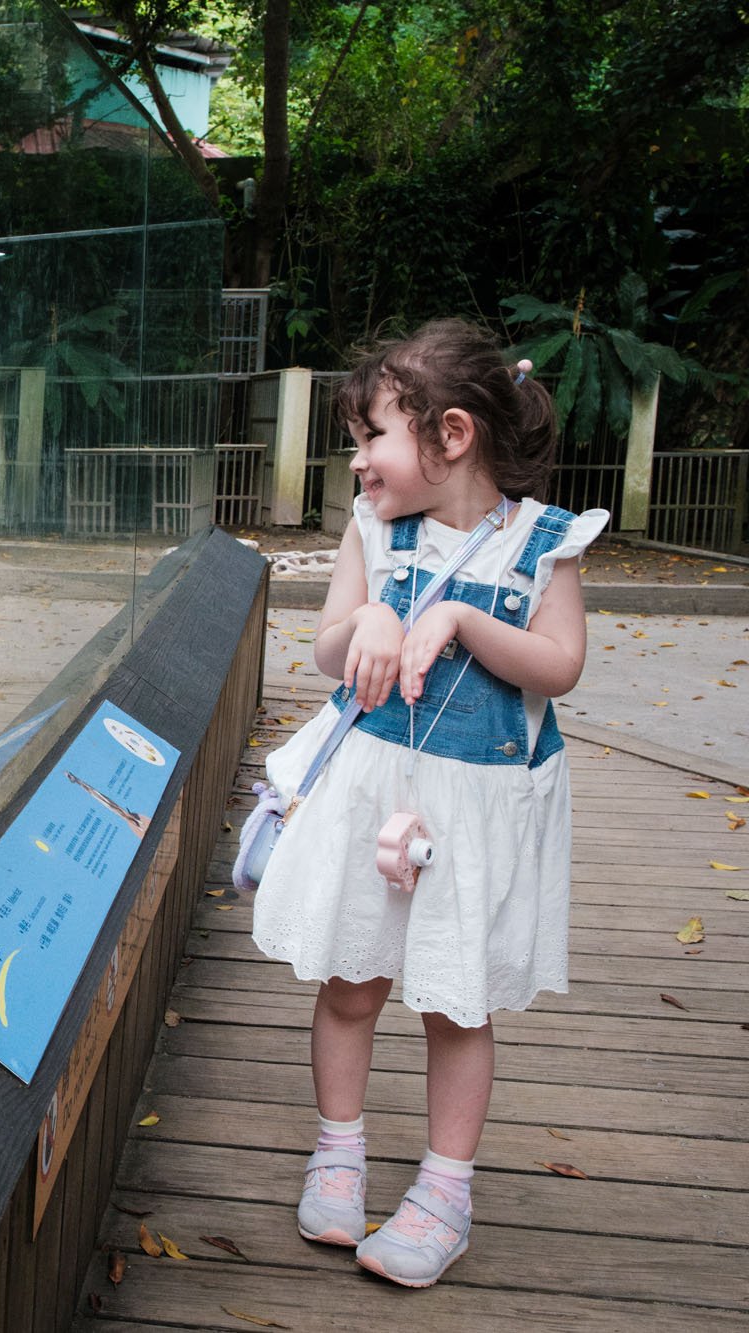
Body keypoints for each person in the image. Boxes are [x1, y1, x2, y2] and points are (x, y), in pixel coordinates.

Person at [249, 319, 607, 1289]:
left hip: (477, 810)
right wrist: (366, 616)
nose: (357, 461)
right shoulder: (373, 531)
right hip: (374, 792)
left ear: (449, 435)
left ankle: (443, 1190)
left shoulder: (544, 542)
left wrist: (456, 616)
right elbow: (328, 648)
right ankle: (338, 1149)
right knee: (350, 982)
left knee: (455, 1003)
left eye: (371, 436)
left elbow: (558, 665)